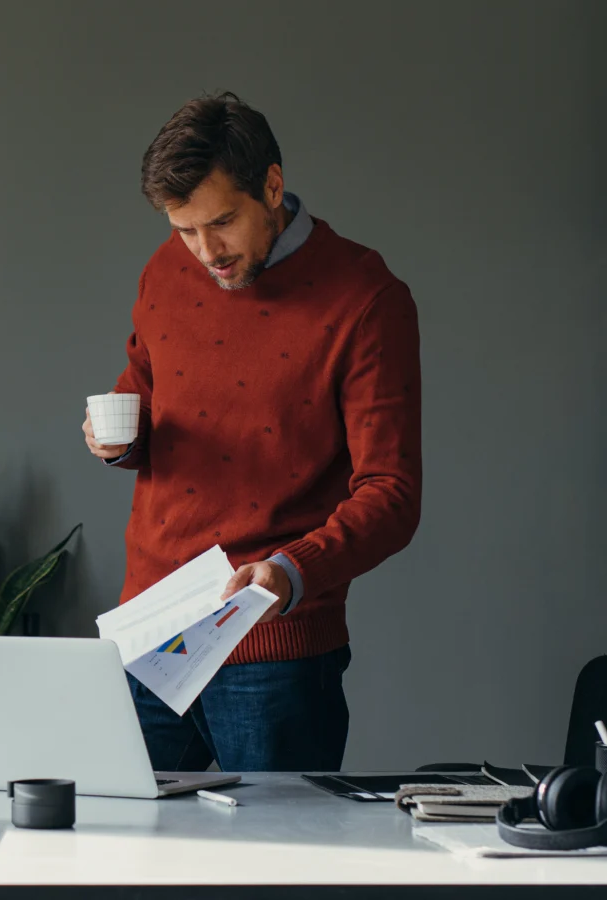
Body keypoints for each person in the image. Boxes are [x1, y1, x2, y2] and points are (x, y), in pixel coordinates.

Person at [82, 92, 422, 772]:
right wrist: (116, 436)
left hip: (274, 647)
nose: (206, 252)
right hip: (149, 630)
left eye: (222, 222)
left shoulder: (365, 297)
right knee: (118, 862)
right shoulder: (165, 269)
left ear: (273, 186)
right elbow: (145, 388)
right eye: (184, 230)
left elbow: (392, 493)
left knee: (274, 871)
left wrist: (294, 572)